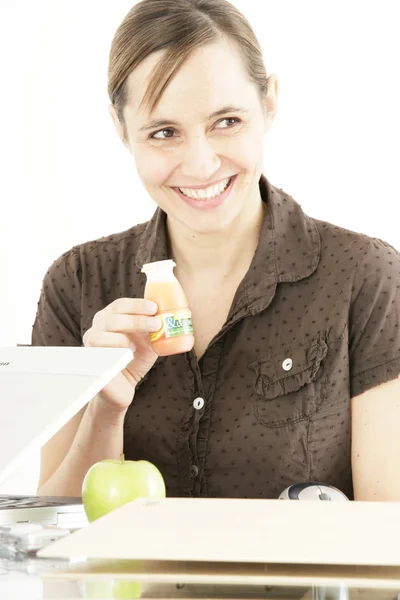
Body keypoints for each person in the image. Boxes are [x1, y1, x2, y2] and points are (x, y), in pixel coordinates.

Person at [33, 0, 400, 501]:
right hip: (128, 585)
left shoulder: (364, 278)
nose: (201, 165)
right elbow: (51, 534)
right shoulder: (77, 285)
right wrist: (106, 408)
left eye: (226, 121)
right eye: (164, 133)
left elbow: (387, 537)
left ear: (269, 102)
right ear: (122, 131)